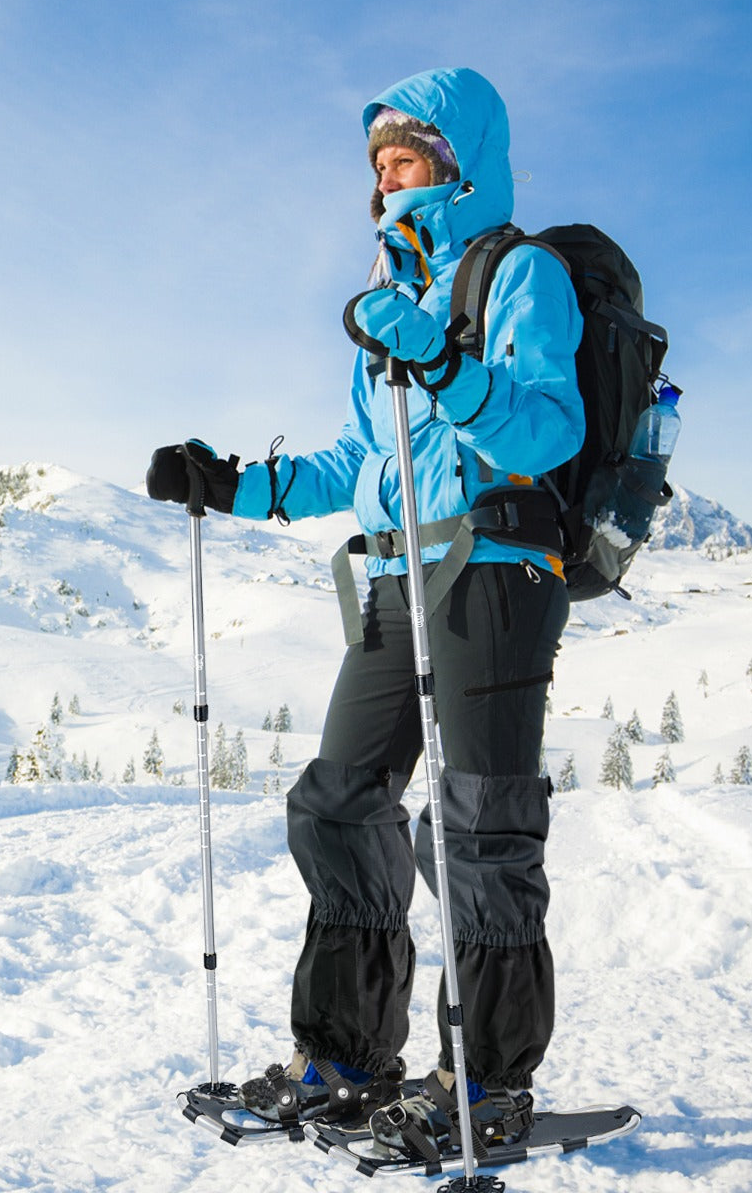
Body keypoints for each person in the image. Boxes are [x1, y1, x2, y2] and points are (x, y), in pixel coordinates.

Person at [146, 66, 583, 1159]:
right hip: (398, 579)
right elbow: (360, 460)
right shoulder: (394, 296)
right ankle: (345, 1056)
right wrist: (234, 484)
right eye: (379, 163)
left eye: (407, 158)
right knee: (338, 802)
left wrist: (441, 363)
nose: (388, 179)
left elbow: (547, 430)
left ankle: (486, 1084)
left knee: (478, 827)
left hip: (496, 569)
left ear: (459, 165)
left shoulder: (519, 273)